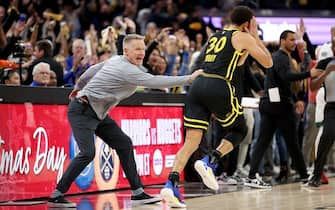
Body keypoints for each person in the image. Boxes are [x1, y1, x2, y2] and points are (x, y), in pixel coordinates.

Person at [47, 34, 203, 208]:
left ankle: (138, 192)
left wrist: (78, 88)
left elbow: (90, 72)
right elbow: (154, 81)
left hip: (97, 112)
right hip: (83, 110)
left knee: (124, 143)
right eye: (137, 49)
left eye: (143, 49)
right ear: (126, 51)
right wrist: (189, 79)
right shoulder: (127, 69)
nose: (142, 53)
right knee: (88, 152)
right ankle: (57, 195)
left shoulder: (116, 60)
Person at [160, 6, 273, 208]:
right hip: (218, 85)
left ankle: (171, 184)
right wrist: (254, 37)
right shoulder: (243, 36)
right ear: (248, 23)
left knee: (191, 142)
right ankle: (209, 161)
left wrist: (248, 46)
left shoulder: (215, 37)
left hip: (197, 86)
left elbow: (236, 62)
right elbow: (268, 62)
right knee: (240, 129)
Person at [244, 30, 321, 189]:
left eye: (295, 40)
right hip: (278, 106)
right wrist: (309, 73)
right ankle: (305, 176)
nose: (294, 42)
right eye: (291, 40)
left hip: (273, 104)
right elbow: (287, 76)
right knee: (290, 142)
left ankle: (252, 175)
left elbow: (290, 78)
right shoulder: (279, 57)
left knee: (264, 142)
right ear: (282, 41)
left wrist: (305, 52)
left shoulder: (285, 57)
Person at [308, 35, 335, 187]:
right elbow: (312, 86)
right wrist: (325, 73)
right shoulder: (325, 63)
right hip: (331, 107)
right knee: (325, 138)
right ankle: (316, 175)